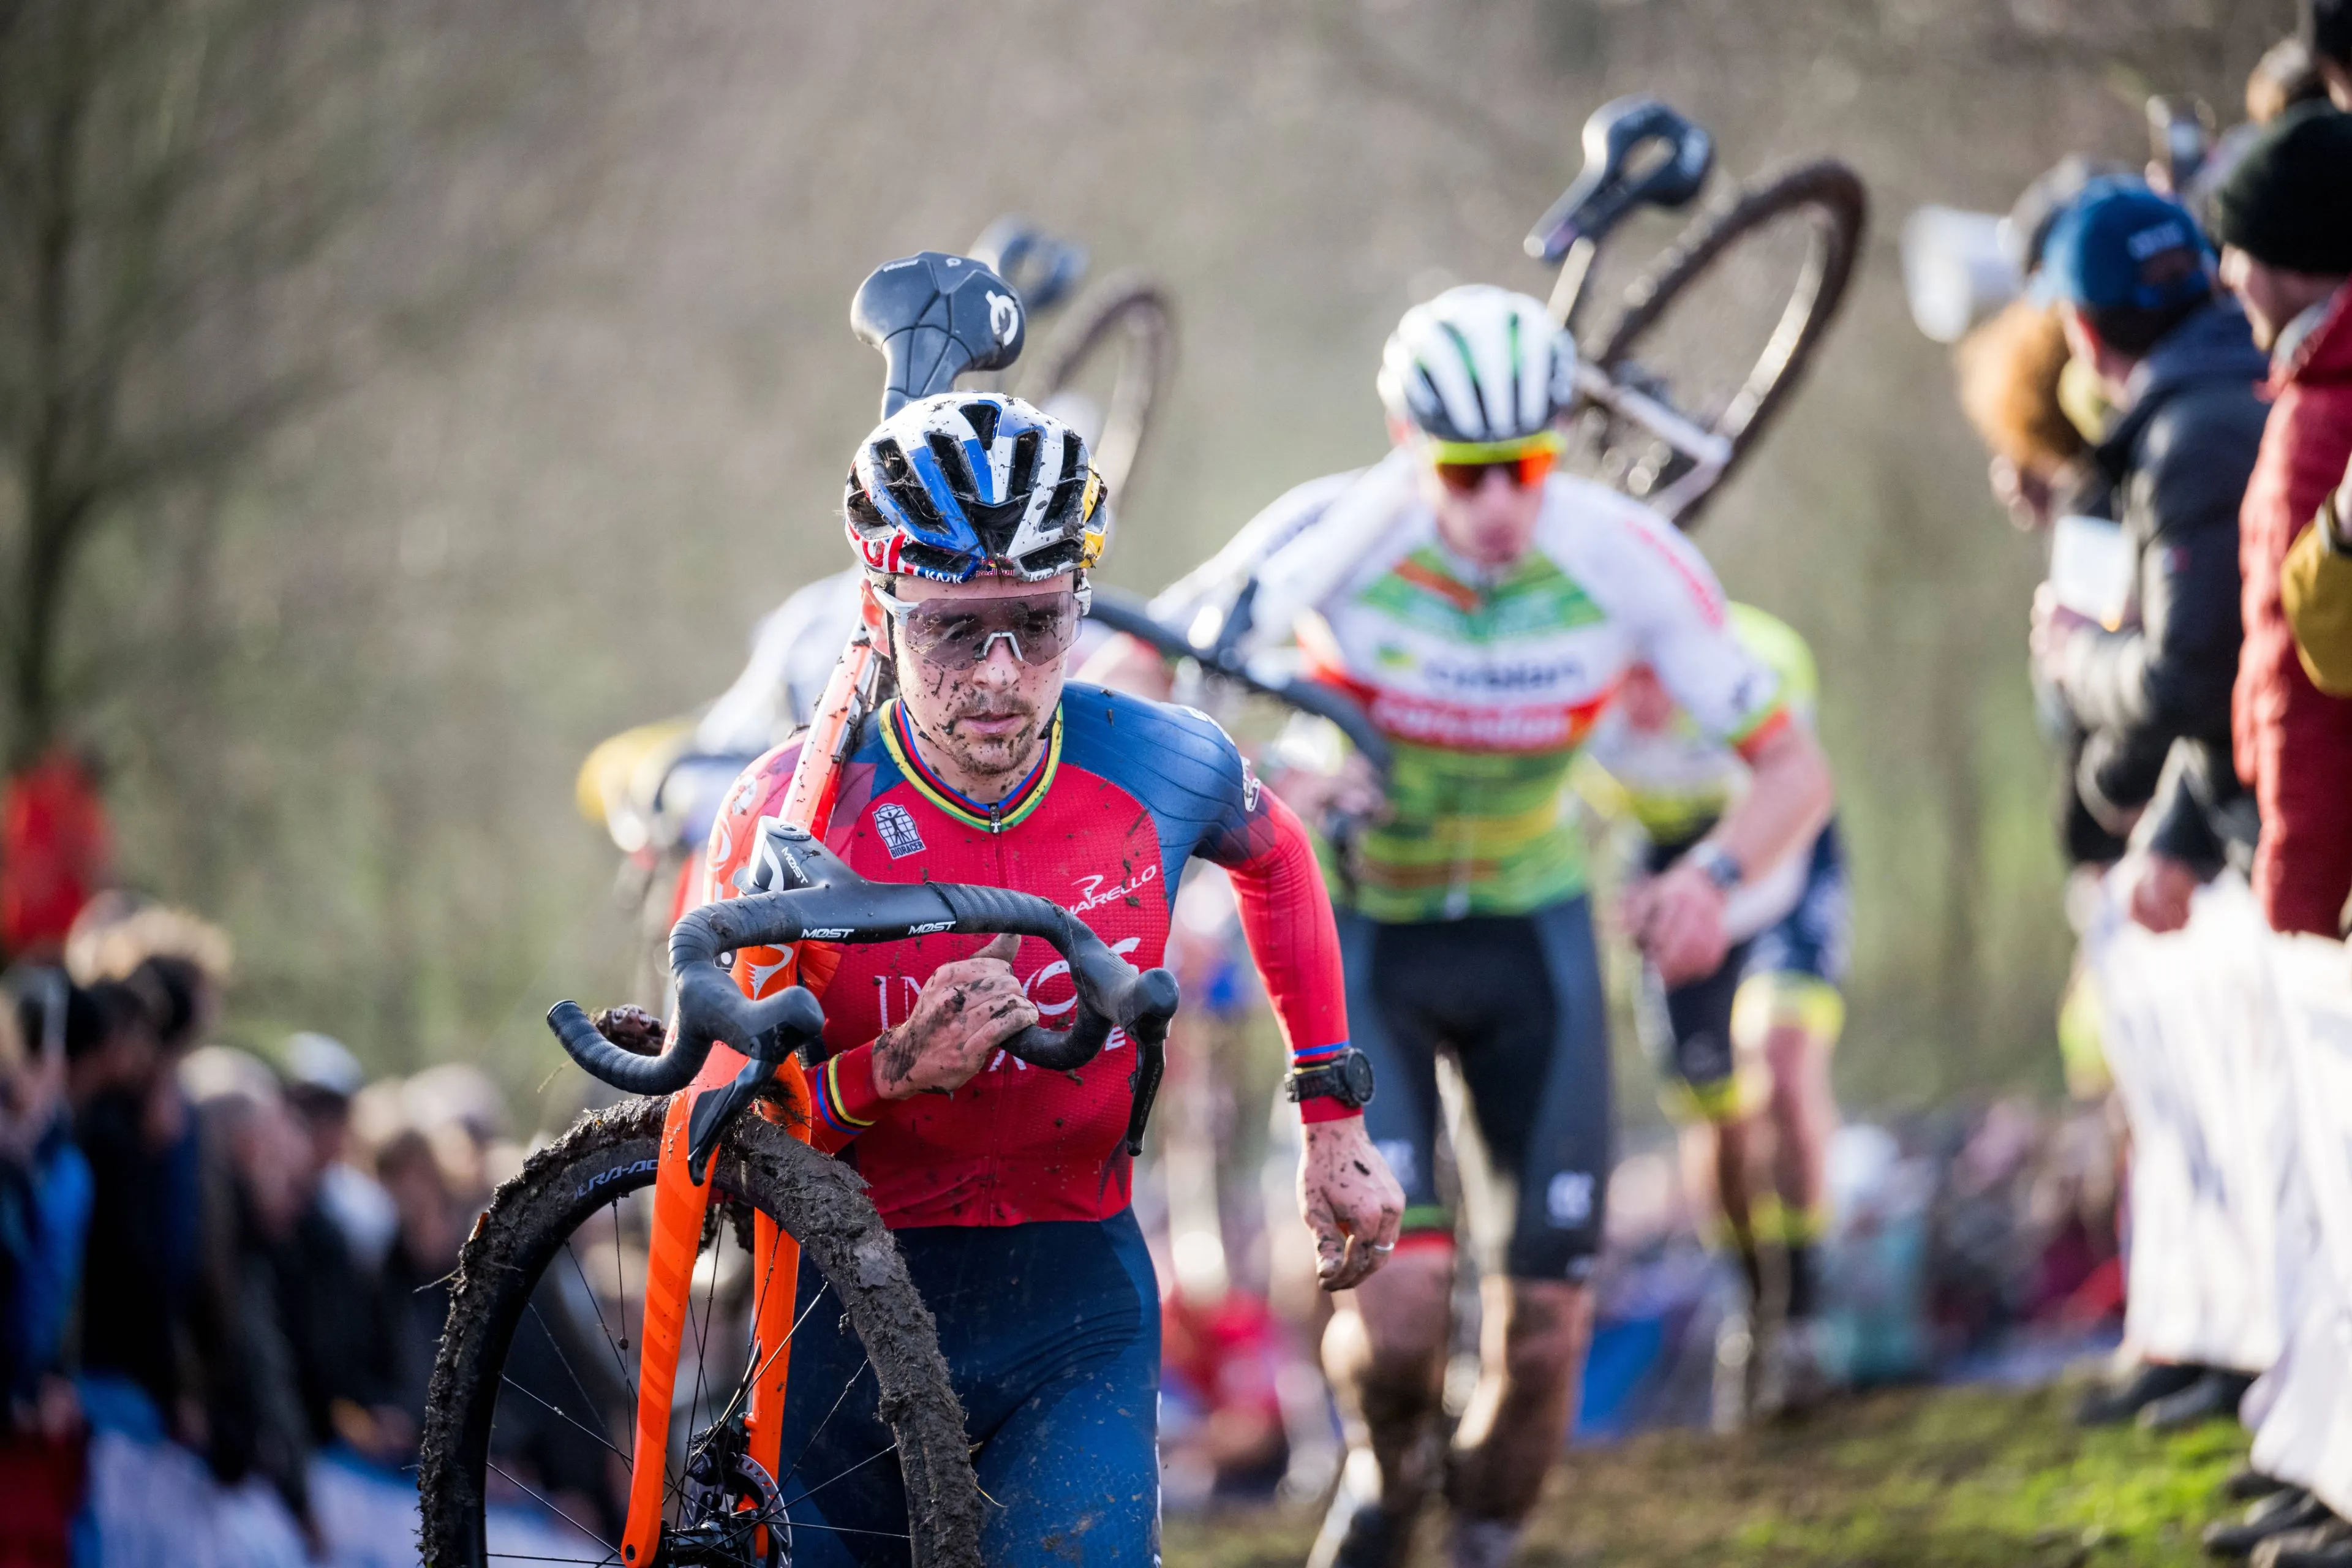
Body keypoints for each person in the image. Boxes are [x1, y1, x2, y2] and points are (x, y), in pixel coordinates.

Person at [1170, 285, 1830, 1568]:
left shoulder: (1622, 557)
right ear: (1405, 442)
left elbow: (1795, 769)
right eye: (1463, 472)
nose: (1494, 505)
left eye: (1522, 468)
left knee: (1543, 1340)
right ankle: (1384, 1472)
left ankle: (1483, 1533)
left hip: (1534, 938)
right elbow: (1148, 678)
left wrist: (1714, 877)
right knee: (1400, 1298)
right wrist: (1273, 780)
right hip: (1373, 936)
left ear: (1558, 447)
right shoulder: (1329, 538)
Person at [694, 390, 1404, 1566]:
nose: (1000, 673)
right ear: (881, 611)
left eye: (1037, 623)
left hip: (1072, 1304)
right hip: (836, 1320)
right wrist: (885, 1073)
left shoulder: (1161, 762)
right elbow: (712, 1148)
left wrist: (1334, 1117)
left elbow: (1279, 860)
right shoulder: (787, 814)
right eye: (952, 631)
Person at [1578, 603, 1849, 1425]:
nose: (1642, 699)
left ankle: (1804, 1316)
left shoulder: (1757, 660)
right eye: (1625, 677)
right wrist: (1620, 907)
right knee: (1716, 1116)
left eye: (1656, 675)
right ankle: (1751, 1303)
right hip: (1663, 863)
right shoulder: (1570, 676)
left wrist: (1709, 904)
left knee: (1780, 1062)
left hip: (1776, 854)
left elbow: (1795, 797)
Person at [2024, 181, 2271, 938]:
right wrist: (2177, 835)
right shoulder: (2252, 383)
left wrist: (2076, 655)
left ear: (2085, 333)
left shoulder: (2185, 443)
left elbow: (2192, 681)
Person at [2210, 103, 2352, 939]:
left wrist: (2296, 905)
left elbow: (2303, 682)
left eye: (2242, 250)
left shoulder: (2322, 419)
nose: (2228, 274)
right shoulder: (2314, 389)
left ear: (2295, 263)